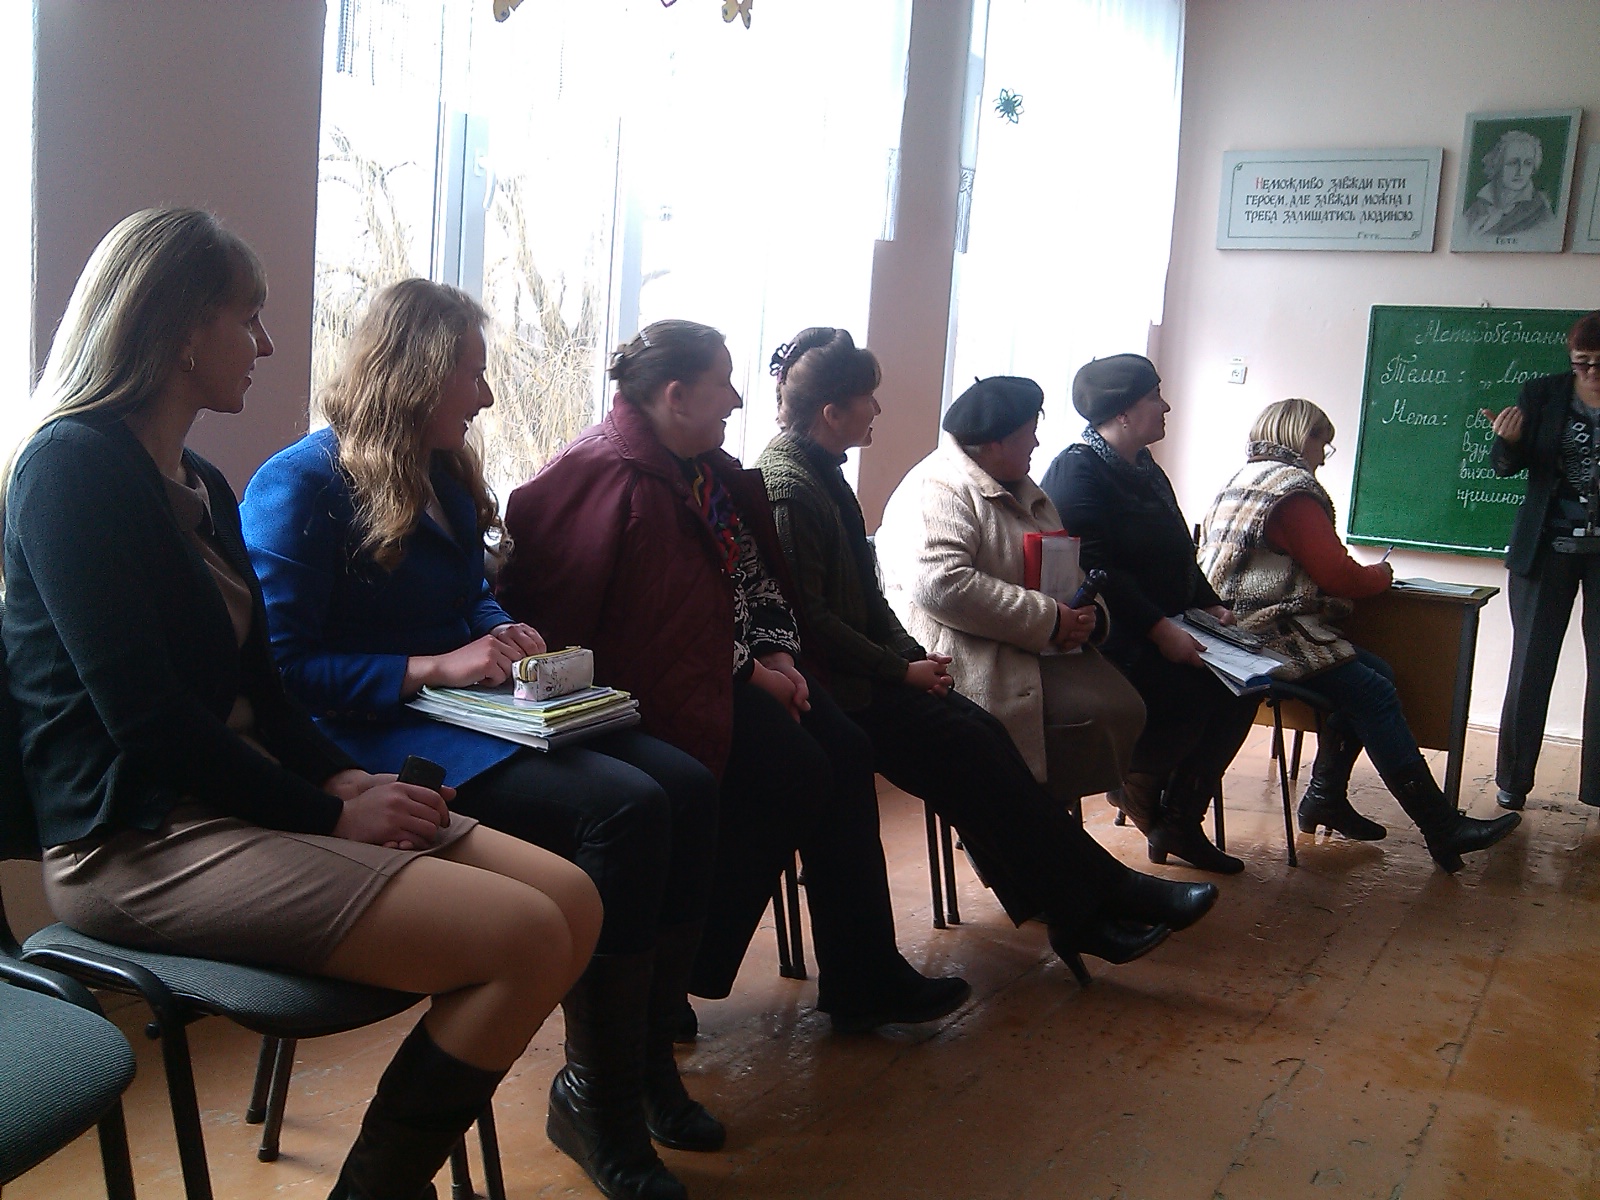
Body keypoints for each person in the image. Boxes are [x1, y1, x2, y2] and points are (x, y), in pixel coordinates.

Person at [1, 207, 601, 1200]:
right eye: (249, 317)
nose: (267, 344)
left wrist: (342, 778)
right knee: (529, 936)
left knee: (573, 899)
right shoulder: (69, 468)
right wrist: (327, 812)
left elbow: (266, 691)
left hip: (243, 805)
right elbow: (147, 722)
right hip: (136, 842)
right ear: (179, 326)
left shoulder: (200, 481)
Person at [241, 279, 721, 1200]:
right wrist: (435, 666)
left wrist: (505, 632)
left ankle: (643, 1060)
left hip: (468, 713)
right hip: (374, 737)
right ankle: (600, 1101)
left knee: (688, 785)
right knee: (625, 811)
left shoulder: (447, 473)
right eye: (473, 373)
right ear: (418, 373)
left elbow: (471, 599)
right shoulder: (299, 484)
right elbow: (284, 669)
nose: (488, 396)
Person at [497, 319, 972, 1036]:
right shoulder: (601, 472)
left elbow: (753, 579)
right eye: (723, 383)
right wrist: (751, 674)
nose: (739, 399)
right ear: (676, 395)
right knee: (794, 771)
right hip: (643, 694)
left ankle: (862, 974)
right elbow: (620, 627)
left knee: (847, 751)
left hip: (728, 671)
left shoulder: (702, 470)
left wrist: (777, 654)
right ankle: (671, 976)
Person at [754, 329, 1217, 967]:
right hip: (846, 687)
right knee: (978, 750)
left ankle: (1085, 907)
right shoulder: (793, 485)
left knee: (983, 744)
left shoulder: (821, 472)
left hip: (879, 672)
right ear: (832, 413)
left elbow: (866, 598)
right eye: (868, 398)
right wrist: (902, 668)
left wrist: (909, 658)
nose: (879, 409)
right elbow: (816, 621)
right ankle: (1099, 900)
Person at [1197, 398, 1522, 871]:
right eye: (1322, 444)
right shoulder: (1294, 493)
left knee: (1377, 673)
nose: (1323, 457)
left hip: (1228, 628)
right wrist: (1381, 575)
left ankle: (1325, 797)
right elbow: (1339, 577)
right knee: (1372, 692)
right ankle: (1441, 827)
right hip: (1264, 635)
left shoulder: (1242, 479)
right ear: (1301, 436)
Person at [876, 374, 1147, 808]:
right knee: (1088, 718)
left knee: (1125, 706)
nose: (1037, 443)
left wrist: (1088, 614)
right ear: (995, 443)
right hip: (966, 655)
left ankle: (1040, 825)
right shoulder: (936, 489)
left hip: (1028, 646)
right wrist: (1050, 620)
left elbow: (1066, 566)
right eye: (1029, 433)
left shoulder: (1021, 484)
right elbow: (942, 584)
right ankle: (1012, 824)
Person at [1040, 354, 1258, 875]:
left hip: (1170, 625)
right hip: (1113, 636)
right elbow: (1098, 571)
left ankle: (1178, 818)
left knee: (1245, 687)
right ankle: (1137, 783)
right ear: (1121, 412)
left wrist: (1209, 602)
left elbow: (1179, 550)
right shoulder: (1077, 471)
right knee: (1191, 694)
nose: (1165, 406)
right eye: (1154, 397)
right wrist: (1160, 630)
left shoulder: (1144, 466)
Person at [1488, 309, 1600, 812]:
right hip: (1545, 547)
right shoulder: (1543, 394)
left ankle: (1597, 788)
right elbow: (1505, 467)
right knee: (1531, 663)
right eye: (1582, 361)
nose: (1591, 371)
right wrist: (1508, 441)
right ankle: (1513, 781)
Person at [1462, 129, 1556, 240]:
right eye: (1513, 163)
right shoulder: (1477, 208)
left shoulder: (1540, 212)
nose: (1520, 172)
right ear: (1497, 164)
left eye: (1528, 163)